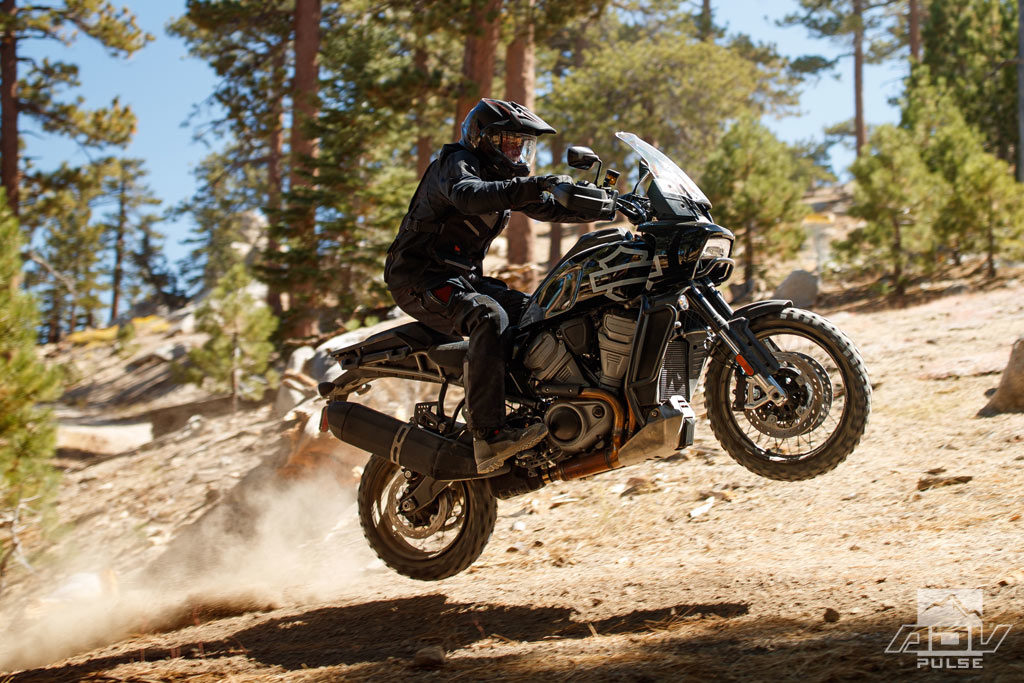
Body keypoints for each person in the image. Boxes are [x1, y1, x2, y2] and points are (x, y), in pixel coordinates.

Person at [384, 98, 594, 473]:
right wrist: (532, 184)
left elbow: (549, 207)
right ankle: (489, 435)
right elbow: (469, 195)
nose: (516, 152)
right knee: (487, 316)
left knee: (539, 312)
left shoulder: (502, 183)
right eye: (508, 142)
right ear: (482, 138)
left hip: (462, 278)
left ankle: (533, 408)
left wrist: (614, 203)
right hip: (420, 278)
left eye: (522, 145)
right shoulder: (457, 164)